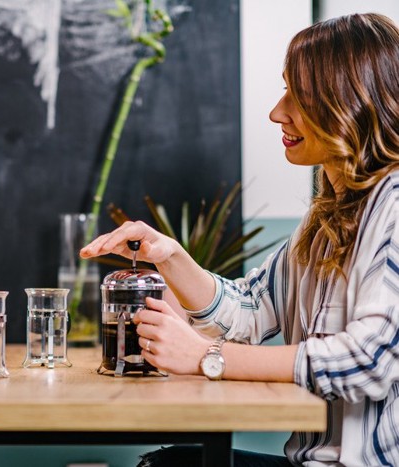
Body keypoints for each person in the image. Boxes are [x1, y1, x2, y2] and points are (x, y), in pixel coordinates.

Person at [81, 12, 399, 467]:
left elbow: (367, 361)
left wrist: (207, 357)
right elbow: (248, 310)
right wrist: (170, 256)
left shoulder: (393, 208)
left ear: (352, 103)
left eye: (300, 96)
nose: (277, 112)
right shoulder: (328, 217)